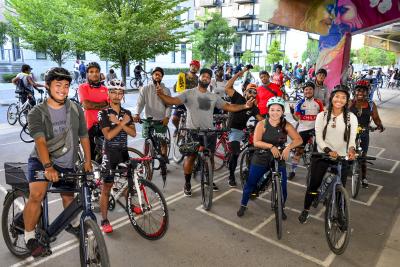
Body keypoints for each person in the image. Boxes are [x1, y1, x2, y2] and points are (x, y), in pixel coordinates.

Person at [24, 67, 92, 257]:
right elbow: (40, 141)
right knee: (37, 194)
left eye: (66, 85)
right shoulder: (37, 112)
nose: (63, 89)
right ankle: (29, 236)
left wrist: (88, 160)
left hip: (67, 162)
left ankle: (74, 223)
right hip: (41, 160)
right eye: (58, 85)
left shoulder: (75, 108)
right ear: (47, 86)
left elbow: (84, 136)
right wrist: (47, 166)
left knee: (68, 197)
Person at [156, 68, 255, 196]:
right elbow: (173, 101)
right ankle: (187, 183)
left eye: (208, 77)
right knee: (190, 157)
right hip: (193, 131)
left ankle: (209, 179)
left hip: (210, 133)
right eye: (204, 76)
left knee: (210, 158)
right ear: (199, 77)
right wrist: (161, 95)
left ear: (210, 81)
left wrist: (245, 106)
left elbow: (229, 107)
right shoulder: (189, 93)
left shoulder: (213, 97)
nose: (206, 78)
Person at [298, 85, 357, 224]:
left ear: (347, 101)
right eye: (337, 96)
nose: (340, 100)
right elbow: (319, 138)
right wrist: (328, 151)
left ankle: (341, 214)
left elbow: (352, 138)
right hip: (322, 155)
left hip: (342, 157)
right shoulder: (322, 115)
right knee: (313, 186)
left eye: (343, 97)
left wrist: (352, 150)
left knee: (340, 188)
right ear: (331, 98)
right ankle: (306, 209)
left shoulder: (351, 117)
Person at [237, 97, 302, 218]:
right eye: (272, 110)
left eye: (278, 110)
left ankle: (280, 207)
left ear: (282, 112)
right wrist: (271, 146)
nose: (275, 113)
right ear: (268, 110)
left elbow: (299, 139)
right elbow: (256, 142)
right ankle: (243, 204)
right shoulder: (262, 124)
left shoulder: (286, 125)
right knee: (251, 183)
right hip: (261, 156)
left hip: (279, 157)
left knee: (283, 187)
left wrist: (288, 147)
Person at [98, 79, 136, 233]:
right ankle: (104, 219)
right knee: (106, 188)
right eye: (113, 92)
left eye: (120, 93)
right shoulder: (104, 113)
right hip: (110, 154)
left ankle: (130, 205)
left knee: (128, 183)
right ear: (108, 93)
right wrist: (122, 124)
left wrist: (121, 123)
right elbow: (108, 135)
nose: (116, 95)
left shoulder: (127, 113)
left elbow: (133, 133)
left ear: (123, 95)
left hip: (123, 152)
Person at [224, 66, 263, 187]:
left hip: (243, 130)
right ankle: (231, 176)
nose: (252, 94)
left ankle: (248, 170)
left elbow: (261, 120)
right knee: (235, 153)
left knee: (254, 148)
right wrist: (239, 74)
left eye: (255, 92)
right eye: (250, 91)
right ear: (245, 92)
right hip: (232, 129)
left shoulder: (254, 107)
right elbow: (227, 87)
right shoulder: (238, 97)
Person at [133, 67, 171, 166]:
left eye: (160, 74)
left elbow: (169, 105)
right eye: (156, 74)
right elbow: (140, 103)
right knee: (146, 140)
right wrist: (137, 114)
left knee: (162, 140)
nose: (157, 76)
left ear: (162, 76)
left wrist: (167, 117)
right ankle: (145, 160)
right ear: (152, 75)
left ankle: (164, 156)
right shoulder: (145, 89)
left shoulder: (166, 90)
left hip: (161, 119)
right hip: (147, 119)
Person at [349, 82, 384, 188]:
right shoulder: (350, 102)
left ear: (367, 92)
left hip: (364, 131)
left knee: (363, 156)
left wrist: (379, 125)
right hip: (350, 131)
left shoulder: (371, 104)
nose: (361, 92)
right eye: (358, 90)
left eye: (363, 91)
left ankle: (364, 177)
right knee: (346, 153)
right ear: (355, 92)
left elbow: (376, 117)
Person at [288, 81, 324, 180]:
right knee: (299, 151)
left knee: (319, 152)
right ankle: (293, 170)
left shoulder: (318, 102)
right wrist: (292, 113)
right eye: (306, 89)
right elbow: (297, 119)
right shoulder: (300, 102)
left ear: (313, 91)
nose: (308, 91)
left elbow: (322, 116)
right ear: (303, 91)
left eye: (310, 89)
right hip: (303, 129)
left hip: (315, 129)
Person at [78, 62, 109, 161]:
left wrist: (94, 105)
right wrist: (103, 104)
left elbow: (110, 104)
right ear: (87, 74)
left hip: (104, 124)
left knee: (104, 156)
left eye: (97, 71)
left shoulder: (105, 88)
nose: (94, 74)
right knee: (90, 157)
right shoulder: (83, 87)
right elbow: (86, 105)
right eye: (91, 72)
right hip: (89, 125)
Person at [171, 60, 200, 135]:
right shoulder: (182, 76)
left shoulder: (199, 79)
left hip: (193, 103)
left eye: (196, 67)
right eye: (192, 66)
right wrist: (178, 83)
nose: (194, 68)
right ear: (190, 66)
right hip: (181, 101)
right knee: (174, 119)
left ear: (198, 69)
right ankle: (177, 129)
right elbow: (174, 89)